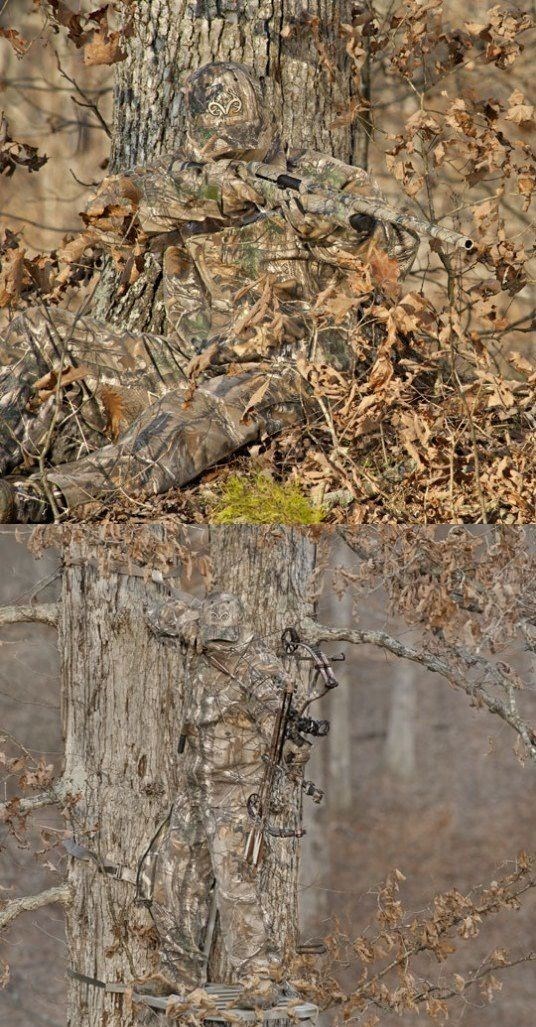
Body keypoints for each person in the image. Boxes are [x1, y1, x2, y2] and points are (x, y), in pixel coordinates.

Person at [0, 61, 418, 522]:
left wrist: (321, 226)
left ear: (268, 129)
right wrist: (216, 191)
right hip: (185, 361)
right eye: (219, 156)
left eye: (243, 152)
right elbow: (107, 216)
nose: (232, 163)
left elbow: (391, 258)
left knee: (189, 415)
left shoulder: (327, 180)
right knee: (38, 331)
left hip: (283, 372)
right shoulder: (177, 178)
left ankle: (39, 500)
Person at [140, 590, 309, 1007]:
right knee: (172, 875)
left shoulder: (257, 666)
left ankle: (259, 980)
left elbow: (289, 730)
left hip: (235, 793)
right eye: (212, 639)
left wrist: (292, 747)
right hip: (196, 788)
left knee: (235, 885)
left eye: (223, 642)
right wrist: (178, 614)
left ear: (237, 633)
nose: (217, 648)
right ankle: (178, 972)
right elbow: (158, 613)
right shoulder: (199, 629)